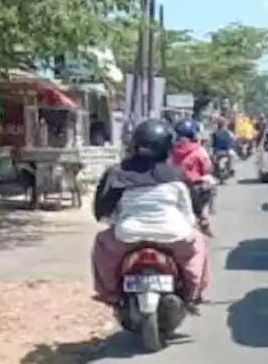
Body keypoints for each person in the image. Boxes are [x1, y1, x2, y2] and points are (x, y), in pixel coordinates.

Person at [91, 119, 210, 307]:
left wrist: (115, 221)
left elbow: (102, 210)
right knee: (198, 244)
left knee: (101, 243)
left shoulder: (117, 173)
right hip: (173, 235)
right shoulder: (177, 175)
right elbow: (190, 211)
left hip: (127, 235)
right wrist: (194, 224)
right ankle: (194, 293)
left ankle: (109, 292)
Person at [170, 118, 215, 234]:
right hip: (195, 187)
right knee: (211, 184)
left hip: (173, 186)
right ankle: (204, 216)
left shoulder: (169, 149)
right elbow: (207, 168)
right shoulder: (199, 150)